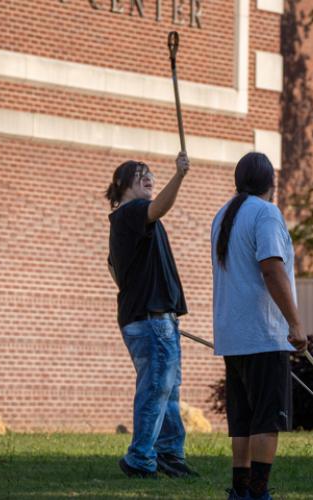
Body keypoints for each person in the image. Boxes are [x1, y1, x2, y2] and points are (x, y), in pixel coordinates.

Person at [211, 152, 308, 500]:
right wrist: (295, 323)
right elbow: (271, 268)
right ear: (272, 183)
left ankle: (240, 492)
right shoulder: (266, 213)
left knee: (243, 421)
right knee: (267, 420)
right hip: (264, 335)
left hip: (232, 336)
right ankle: (259, 493)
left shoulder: (223, 215)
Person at [106, 152, 198, 479]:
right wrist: (180, 176)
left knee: (167, 389)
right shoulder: (131, 213)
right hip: (152, 319)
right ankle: (140, 457)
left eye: (152, 175)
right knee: (156, 388)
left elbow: (115, 270)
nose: (150, 178)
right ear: (122, 184)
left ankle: (170, 454)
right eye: (141, 174)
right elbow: (159, 206)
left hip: (155, 319)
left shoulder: (126, 224)